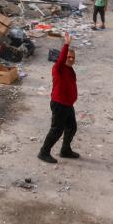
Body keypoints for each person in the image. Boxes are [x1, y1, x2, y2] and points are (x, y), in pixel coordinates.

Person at [38, 32, 80, 163]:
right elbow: (61, 59)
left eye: (73, 57)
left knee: (71, 127)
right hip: (59, 103)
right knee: (57, 130)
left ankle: (65, 150)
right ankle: (43, 152)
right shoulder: (58, 67)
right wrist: (66, 44)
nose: (71, 59)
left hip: (68, 104)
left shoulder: (69, 69)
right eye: (69, 57)